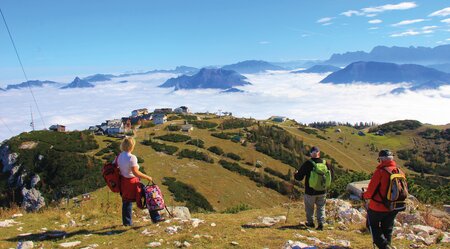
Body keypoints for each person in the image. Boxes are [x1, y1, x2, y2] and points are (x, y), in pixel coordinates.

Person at [118, 136, 163, 226]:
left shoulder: (119, 156)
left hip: (123, 182)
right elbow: (136, 172)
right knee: (149, 196)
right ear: (132, 146)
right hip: (133, 182)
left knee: (126, 201)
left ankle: (127, 223)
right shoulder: (132, 157)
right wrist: (147, 177)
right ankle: (156, 218)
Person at [362, 149, 402, 249]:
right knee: (387, 229)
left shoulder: (380, 172)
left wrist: (363, 196)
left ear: (381, 159)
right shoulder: (399, 171)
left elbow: (370, 191)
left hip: (378, 206)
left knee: (372, 226)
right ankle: (388, 245)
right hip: (394, 206)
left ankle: (384, 247)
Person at [294, 146, 332, 230]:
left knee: (309, 207)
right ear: (319, 153)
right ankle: (321, 223)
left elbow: (299, 177)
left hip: (310, 191)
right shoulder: (325, 163)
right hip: (322, 190)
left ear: (311, 154)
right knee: (321, 207)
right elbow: (330, 175)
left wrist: (295, 174)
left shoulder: (308, 163)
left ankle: (310, 223)